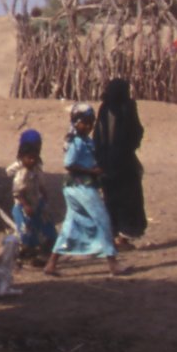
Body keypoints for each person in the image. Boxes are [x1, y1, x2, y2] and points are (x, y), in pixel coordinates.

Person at [46, 106, 121, 274]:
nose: (88, 127)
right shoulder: (76, 141)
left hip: (76, 187)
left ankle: (51, 263)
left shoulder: (86, 141)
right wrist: (92, 171)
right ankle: (113, 262)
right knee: (102, 219)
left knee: (70, 224)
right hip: (80, 186)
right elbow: (69, 163)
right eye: (84, 123)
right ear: (75, 122)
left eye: (90, 123)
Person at [94, 77, 148, 246]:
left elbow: (98, 137)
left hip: (106, 163)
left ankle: (114, 234)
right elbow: (134, 132)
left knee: (112, 199)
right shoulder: (127, 108)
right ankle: (123, 237)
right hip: (124, 164)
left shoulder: (104, 108)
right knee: (128, 199)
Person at [5, 128, 59, 264]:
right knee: (26, 229)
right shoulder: (21, 171)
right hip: (24, 205)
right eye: (30, 157)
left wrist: (44, 194)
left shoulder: (36, 166)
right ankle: (26, 254)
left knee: (41, 224)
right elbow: (18, 192)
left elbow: (40, 183)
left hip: (35, 202)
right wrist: (26, 205)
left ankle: (42, 249)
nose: (33, 159)